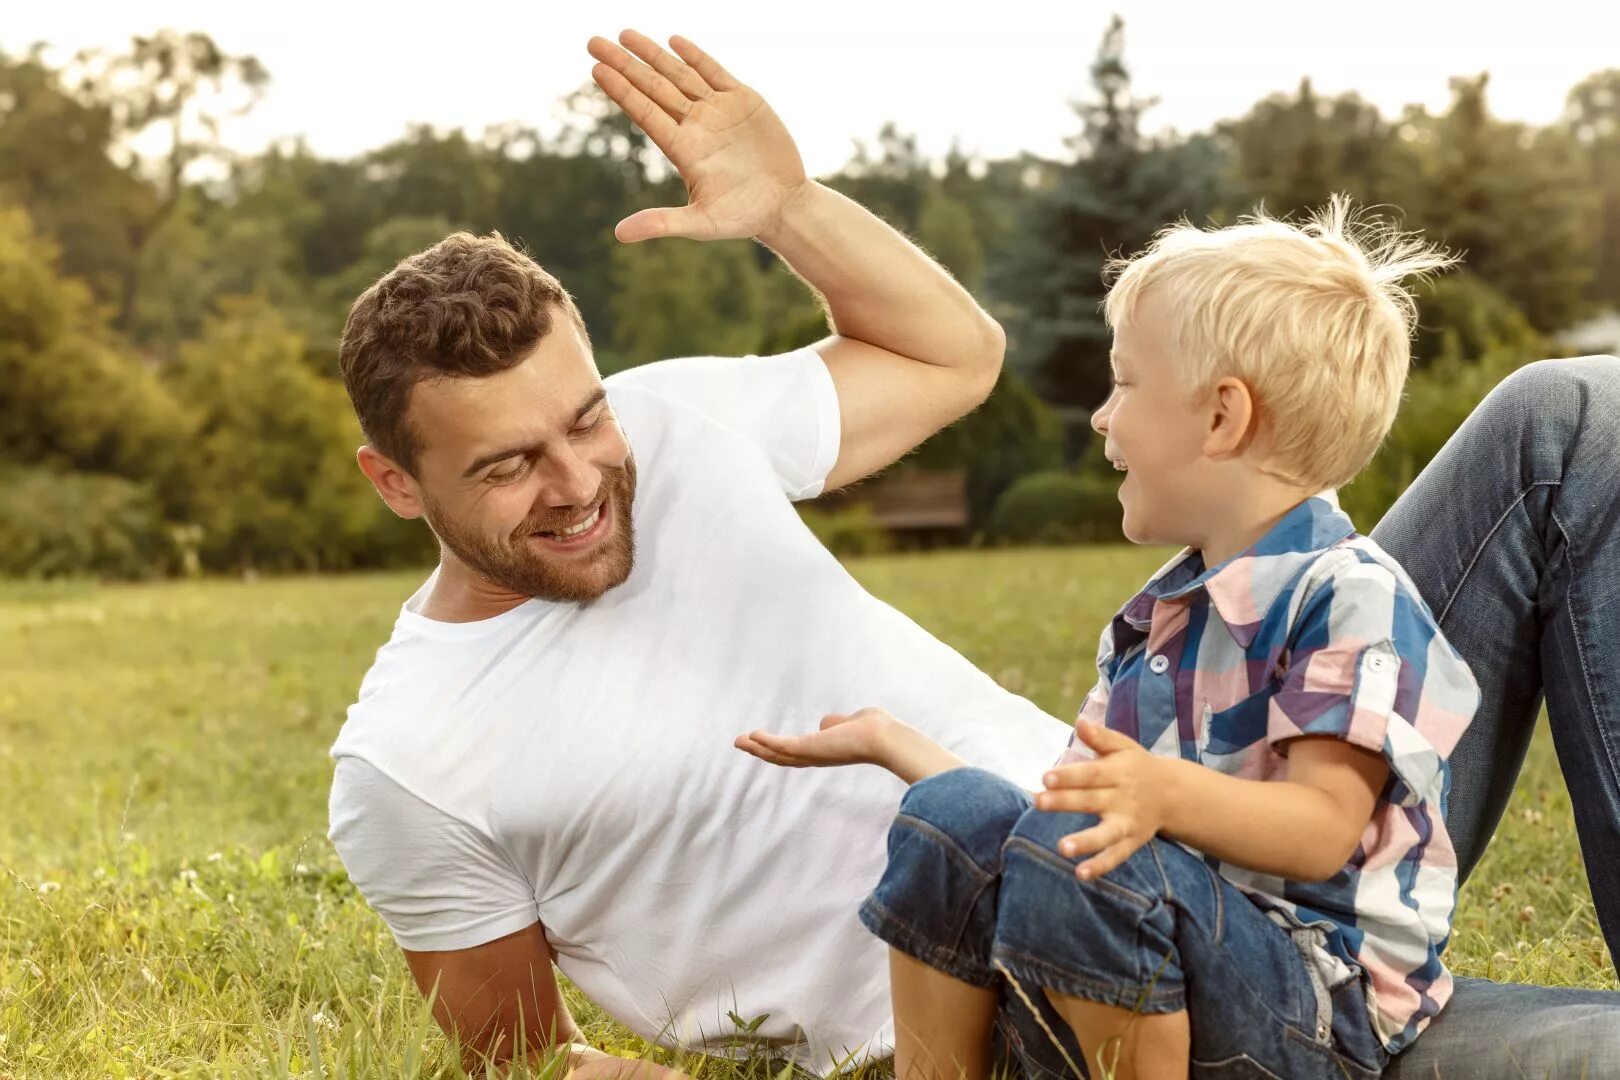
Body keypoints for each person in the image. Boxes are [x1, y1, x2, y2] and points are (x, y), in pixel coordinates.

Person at [325, 27, 1620, 1079]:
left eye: (584, 417)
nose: (581, 484)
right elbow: (521, 1058)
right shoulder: (413, 762)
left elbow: (952, 356)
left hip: (1213, 841)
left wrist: (788, 207)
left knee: (1569, 424)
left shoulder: (673, 429)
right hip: (1026, 1013)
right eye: (507, 466)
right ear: (394, 483)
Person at [740, 203, 1469, 1078]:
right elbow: (1058, 821)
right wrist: (907, 751)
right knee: (952, 817)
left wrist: (1160, 792)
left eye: (1123, 383)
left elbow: (1320, 831)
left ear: (1222, 419)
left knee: (1082, 839)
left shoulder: (1349, 595)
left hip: (1316, 1010)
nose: (1099, 417)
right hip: (1157, 966)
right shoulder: (1158, 620)